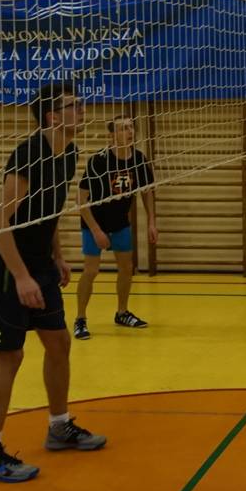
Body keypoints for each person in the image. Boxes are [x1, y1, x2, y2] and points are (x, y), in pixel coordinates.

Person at [0, 82, 107, 484]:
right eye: (73, 105)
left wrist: (57, 255)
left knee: (59, 342)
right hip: (3, 266)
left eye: (80, 103)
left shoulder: (69, 152)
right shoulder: (29, 153)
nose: (82, 110)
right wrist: (20, 276)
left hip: (39, 262)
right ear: (52, 116)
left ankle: (59, 426)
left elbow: (48, 211)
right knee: (10, 356)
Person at [72, 115, 158, 340]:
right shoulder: (99, 161)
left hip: (120, 223)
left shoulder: (138, 160)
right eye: (123, 128)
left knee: (126, 268)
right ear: (111, 135)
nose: (129, 132)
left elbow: (147, 191)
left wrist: (151, 221)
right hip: (94, 223)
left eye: (130, 127)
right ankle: (80, 319)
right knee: (91, 271)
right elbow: (80, 200)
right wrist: (96, 231)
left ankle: (122, 312)